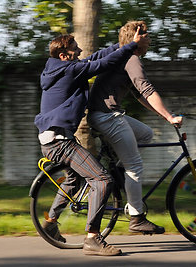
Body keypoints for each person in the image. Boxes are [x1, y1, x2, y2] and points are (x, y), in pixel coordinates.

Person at [34, 29, 149, 256]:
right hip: (60, 142)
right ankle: (92, 239)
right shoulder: (69, 71)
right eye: (75, 48)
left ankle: (50, 222)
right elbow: (101, 65)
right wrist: (129, 47)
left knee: (74, 178)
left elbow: (94, 59)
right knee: (102, 180)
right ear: (64, 55)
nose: (80, 50)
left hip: (54, 139)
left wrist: (119, 45)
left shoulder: (62, 69)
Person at [87, 20, 183, 235]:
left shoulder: (121, 54)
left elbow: (140, 94)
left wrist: (164, 115)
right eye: (147, 35)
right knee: (136, 166)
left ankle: (120, 172)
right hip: (107, 116)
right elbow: (147, 90)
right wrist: (169, 117)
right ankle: (137, 218)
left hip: (104, 115)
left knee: (145, 134)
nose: (150, 40)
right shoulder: (131, 59)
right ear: (137, 38)